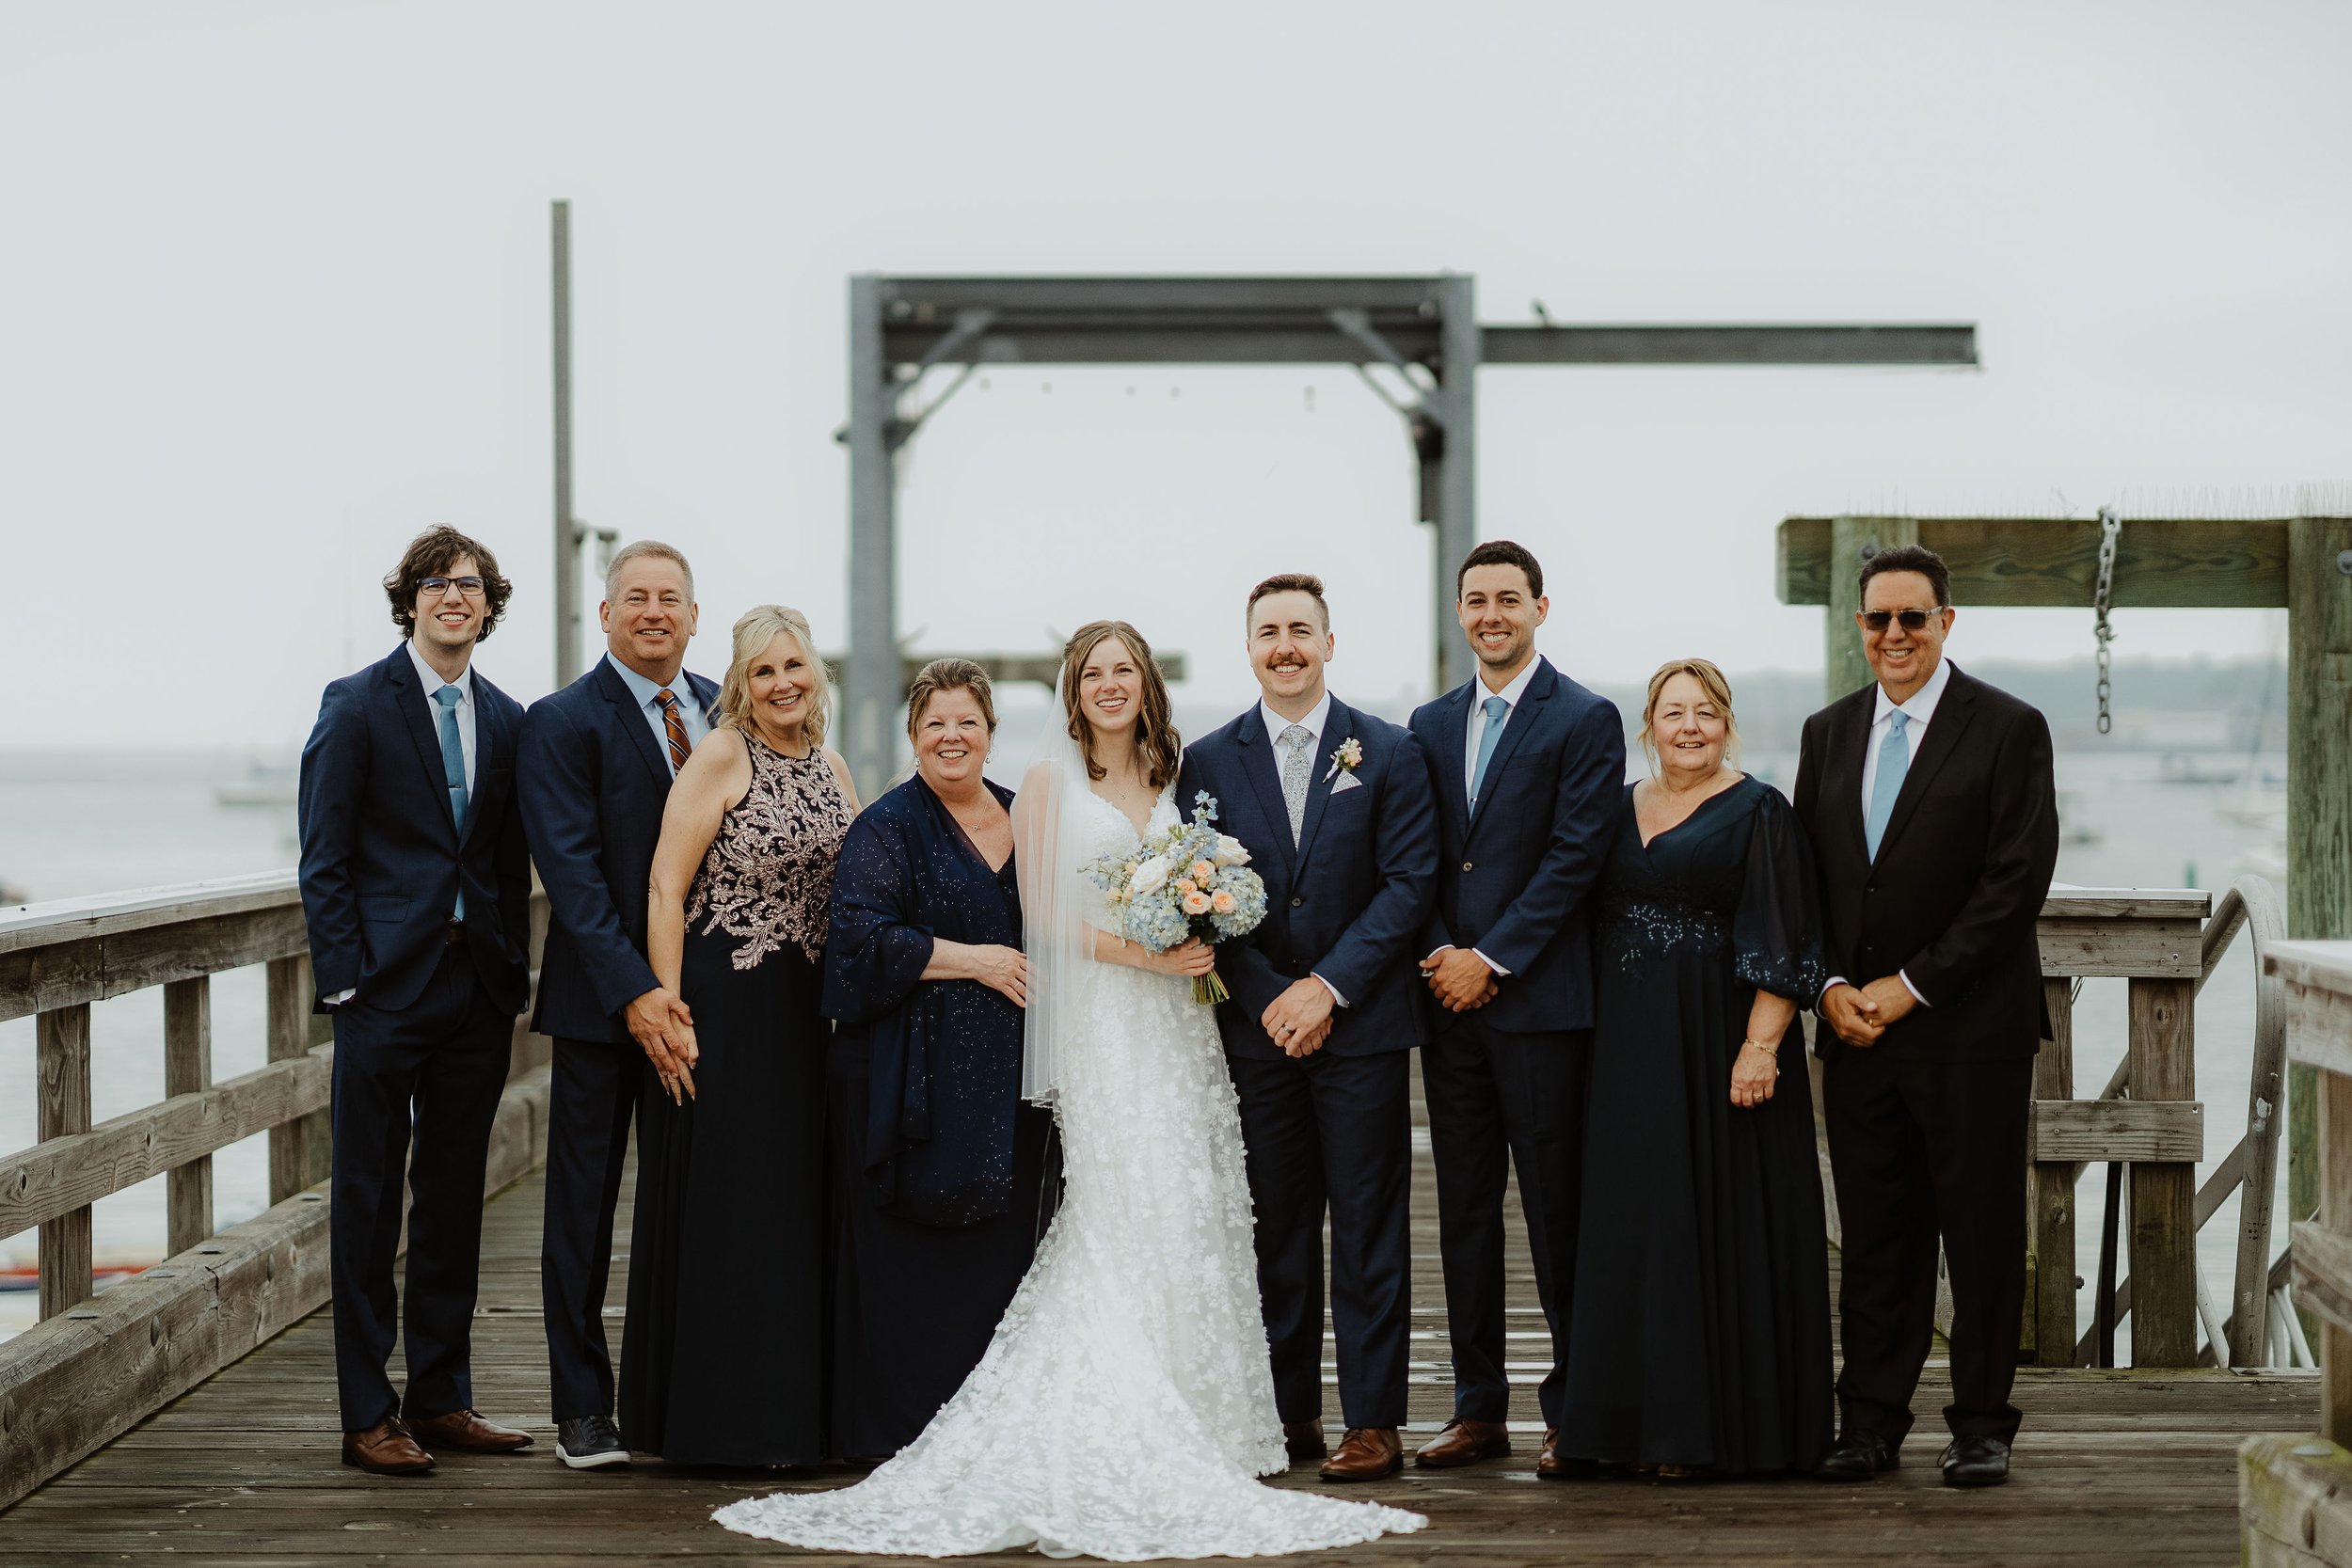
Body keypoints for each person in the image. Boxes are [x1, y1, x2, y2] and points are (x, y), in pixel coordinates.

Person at [712, 620, 1425, 1559]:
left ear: (1146, 683)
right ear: (1072, 690)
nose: (1110, 684)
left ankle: (1206, 1414)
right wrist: (1146, 953)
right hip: (1104, 1021)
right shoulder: (1048, 783)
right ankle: (1119, 1413)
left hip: (1180, 1028)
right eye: (1094, 673)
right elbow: (1041, 917)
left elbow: (1213, 876)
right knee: (1119, 1206)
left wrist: (1204, 916)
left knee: (1194, 1202)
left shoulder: (1177, 776)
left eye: (1124, 669)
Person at [1793, 545, 2058, 1489]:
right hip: (1856, 1033)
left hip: (1969, 1029)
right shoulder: (1827, 732)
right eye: (1879, 618)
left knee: (1980, 1237)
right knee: (1875, 1238)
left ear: (1946, 621)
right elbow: (1808, 879)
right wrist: (1829, 985)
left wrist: (1914, 983)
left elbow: (2016, 878)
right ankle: (1869, 1422)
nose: (1895, 634)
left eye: (1913, 616)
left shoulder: (2009, 726)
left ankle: (1981, 1424)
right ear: (1859, 626)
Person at [1176, 575, 1440, 1483]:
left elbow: (1408, 884)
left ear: (1330, 642)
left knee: (1368, 1227)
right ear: (1248, 647)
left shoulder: (1391, 750)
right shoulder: (1209, 760)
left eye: (1300, 629)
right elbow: (1200, 895)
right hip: (1259, 1036)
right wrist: (1269, 996)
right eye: (1268, 632)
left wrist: (1326, 989)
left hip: (1362, 1028)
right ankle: (1285, 1412)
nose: (1284, 646)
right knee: (1274, 1229)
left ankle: (1372, 1420)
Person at [1555, 658, 1833, 1478]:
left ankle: (1700, 1432)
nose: (1689, 726)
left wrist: (1760, 1046)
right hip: (1626, 1049)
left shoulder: (1760, 810)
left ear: (1727, 725)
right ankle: (1618, 1428)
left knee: (1713, 1221)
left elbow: (1786, 937)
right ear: (1649, 726)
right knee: (1636, 1225)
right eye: (1674, 712)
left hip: (1719, 1043)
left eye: (1705, 712)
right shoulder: (1614, 806)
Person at [296, 526, 535, 1476]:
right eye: (436, 583)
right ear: (409, 602)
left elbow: (506, 856)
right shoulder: (356, 703)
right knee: (365, 1198)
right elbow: (323, 857)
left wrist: (509, 966)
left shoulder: (508, 718)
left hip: (475, 988)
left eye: (469, 584)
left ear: (488, 605)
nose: (453, 596)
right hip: (383, 991)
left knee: (452, 1197)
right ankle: (367, 1412)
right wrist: (346, 979)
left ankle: (440, 1397)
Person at [618, 604, 859, 1466]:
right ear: (742, 683)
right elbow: (664, 886)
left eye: (794, 665)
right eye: (764, 671)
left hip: (809, 1018)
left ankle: (792, 1418)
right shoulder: (722, 754)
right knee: (734, 1204)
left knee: (793, 1206)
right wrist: (666, 1007)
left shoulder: (833, 765)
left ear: (815, 672)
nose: (782, 683)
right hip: (726, 1010)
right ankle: (720, 1424)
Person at [1406, 541, 1624, 1478]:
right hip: (1447, 1008)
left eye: (1508, 599)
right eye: (1476, 600)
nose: (1491, 614)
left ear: (1540, 606)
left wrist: (1489, 958)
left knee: (1555, 1212)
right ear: (1460, 612)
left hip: (1540, 1007)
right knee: (1463, 1214)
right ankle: (1476, 1407)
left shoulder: (1584, 717)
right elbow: (1414, 852)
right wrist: (1441, 956)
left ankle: (1573, 1408)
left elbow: (1576, 855)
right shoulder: (1427, 723)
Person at [820, 658, 1058, 1460]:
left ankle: (993, 1432)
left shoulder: (1027, 817)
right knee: (915, 1267)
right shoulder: (886, 826)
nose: (951, 737)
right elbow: (859, 940)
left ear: (990, 731)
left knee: (1002, 1261)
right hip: (914, 1076)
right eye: (935, 724)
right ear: (913, 733)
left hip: (1012, 1087)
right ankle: (904, 1432)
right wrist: (978, 960)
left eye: (967, 722)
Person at [516, 539, 716, 1470]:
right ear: (605, 613)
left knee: (691, 1204)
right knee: (582, 1211)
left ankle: (680, 1392)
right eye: (635, 596)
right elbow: (573, 877)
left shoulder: (726, 709)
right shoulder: (561, 721)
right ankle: (583, 1406)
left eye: (669, 598)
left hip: (703, 1010)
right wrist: (636, 991)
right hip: (601, 1008)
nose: (653, 611)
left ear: (694, 616)